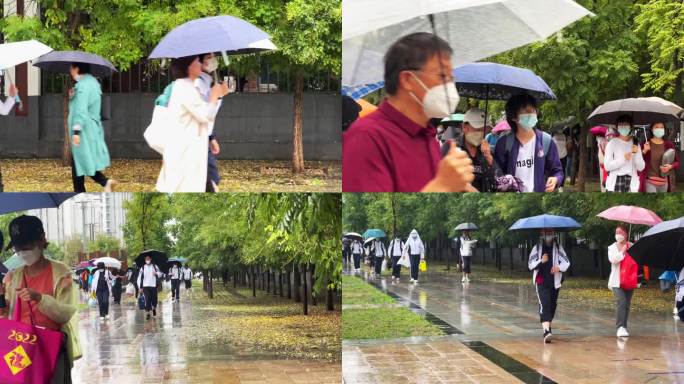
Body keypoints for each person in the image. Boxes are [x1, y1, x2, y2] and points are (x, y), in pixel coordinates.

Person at [343, 32, 475, 192]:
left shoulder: (428, 137)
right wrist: (444, 184)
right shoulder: (367, 138)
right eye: (442, 75)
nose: (449, 86)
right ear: (407, 80)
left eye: (451, 77)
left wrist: (459, 183)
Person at [0, 215, 82, 383]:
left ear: (42, 239)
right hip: (19, 348)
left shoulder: (61, 273)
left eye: (27, 245)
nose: (22, 251)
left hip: (49, 349)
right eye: (18, 247)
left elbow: (66, 313)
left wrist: (39, 298)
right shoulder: (12, 277)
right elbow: (5, 314)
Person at [156, 55, 229, 192]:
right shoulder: (185, 87)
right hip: (187, 147)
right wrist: (216, 96)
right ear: (188, 66)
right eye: (197, 60)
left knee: (208, 183)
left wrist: (210, 137)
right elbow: (204, 114)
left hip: (195, 145)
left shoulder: (195, 84)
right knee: (203, 184)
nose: (200, 63)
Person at [493, 94, 564, 192]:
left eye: (534, 111)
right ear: (514, 117)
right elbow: (497, 174)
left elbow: (557, 171)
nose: (532, 115)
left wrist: (556, 179)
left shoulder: (546, 141)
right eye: (527, 112)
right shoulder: (504, 143)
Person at [68, 62, 116, 193]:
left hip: (83, 130)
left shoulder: (82, 86)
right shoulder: (93, 84)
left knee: (79, 163)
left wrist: (76, 131)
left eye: (71, 68)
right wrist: (73, 95)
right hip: (91, 128)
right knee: (81, 162)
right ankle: (103, 182)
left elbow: (81, 111)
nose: (70, 71)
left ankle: (103, 182)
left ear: (77, 69)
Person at [528, 228, 570, 343]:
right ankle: (546, 331)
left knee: (552, 305)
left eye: (550, 233)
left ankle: (548, 328)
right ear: (541, 234)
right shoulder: (537, 248)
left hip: (555, 282)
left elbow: (566, 262)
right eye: (546, 233)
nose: (548, 235)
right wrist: (541, 261)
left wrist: (558, 268)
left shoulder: (558, 247)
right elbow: (530, 264)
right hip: (541, 281)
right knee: (545, 304)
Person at [443, 108, 500, 192]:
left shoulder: (488, 152)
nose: (481, 133)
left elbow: (500, 180)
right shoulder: (451, 148)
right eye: (478, 129)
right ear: (464, 127)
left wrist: (489, 158)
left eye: (485, 130)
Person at [195, 53, 225, 192]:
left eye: (213, 56)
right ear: (199, 62)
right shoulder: (198, 84)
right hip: (194, 143)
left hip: (202, 140)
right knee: (211, 182)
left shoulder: (207, 82)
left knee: (212, 182)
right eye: (208, 57)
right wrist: (215, 97)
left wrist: (211, 137)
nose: (214, 59)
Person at [604, 115, 645, 192]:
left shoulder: (635, 143)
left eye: (626, 125)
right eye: (620, 125)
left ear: (630, 127)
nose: (623, 127)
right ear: (617, 127)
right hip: (616, 182)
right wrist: (623, 159)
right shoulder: (612, 143)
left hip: (632, 183)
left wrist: (636, 154)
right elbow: (607, 166)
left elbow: (641, 167)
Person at [608, 226, 634, 337]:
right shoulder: (612, 247)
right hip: (616, 281)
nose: (618, 234)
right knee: (621, 302)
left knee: (627, 304)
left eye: (620, 232)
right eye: (616, 232)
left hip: (629, 279)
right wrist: (623, 251)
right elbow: (613, 260)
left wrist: (630, 249)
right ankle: (620, 327)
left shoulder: (632, 245)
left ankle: (624, 326)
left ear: (626, 234)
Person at [640, 122, 680, 193]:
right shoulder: (645, 143)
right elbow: (638, 162)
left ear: (664, 130)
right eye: (656, 127)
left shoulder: (668, 144)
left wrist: (670, 166)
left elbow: (677, 162)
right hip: (649, 181)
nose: (659, 129)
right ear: (652, 129)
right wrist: (644, 151)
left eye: (661, 127)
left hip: (664, 182)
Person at [137, 255, 162, 320]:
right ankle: (148, 313)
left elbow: (160, 274)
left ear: (150, 259)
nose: (147, 260)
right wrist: (140, 287)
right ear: (145, 260)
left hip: (153, 285)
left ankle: (154, 308)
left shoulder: (155, 266)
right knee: (147, 299)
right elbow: (139, 278)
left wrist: (156, 273)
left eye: (148, 259)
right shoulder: (142, 268)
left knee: (154, 299)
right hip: (145, 286)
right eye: (146, 259)